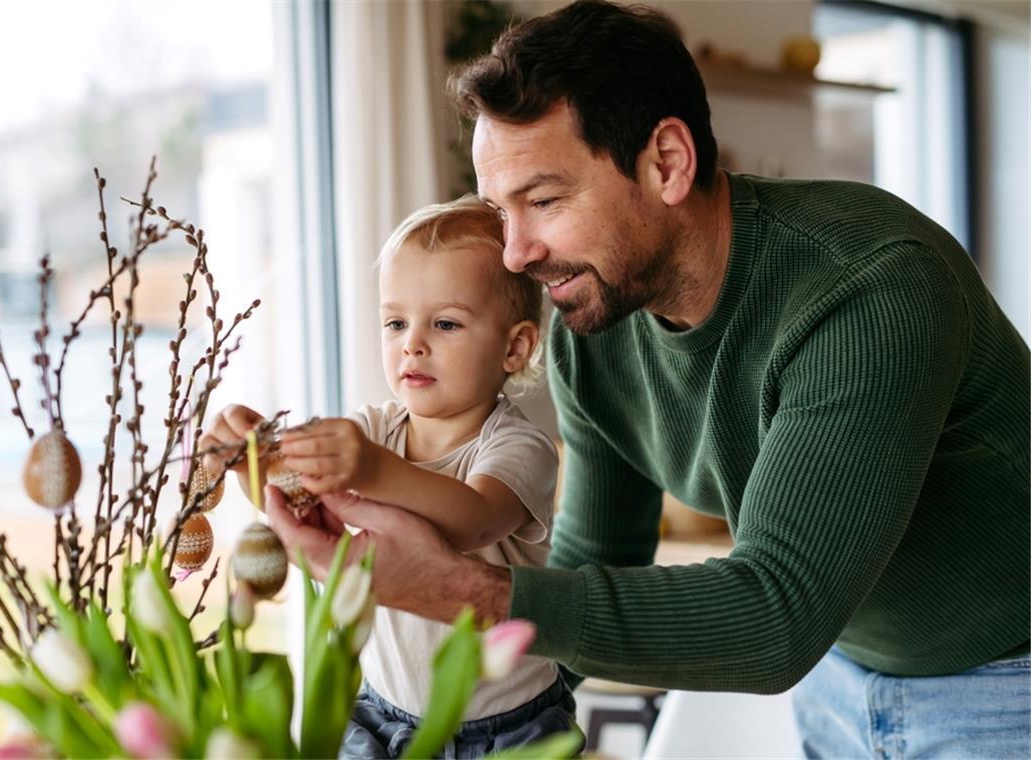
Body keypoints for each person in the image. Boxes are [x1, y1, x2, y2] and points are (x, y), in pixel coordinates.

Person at [262, 1, 1031, 757]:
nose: (516, 253)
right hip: (839, 671)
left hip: (1005, 683)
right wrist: (455, 721)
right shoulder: (596, 320)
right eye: (502, 212)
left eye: (544, 200)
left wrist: (463, 592)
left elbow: (776, 616)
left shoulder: (869, 288)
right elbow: (595, 559)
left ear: (667, 162)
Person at [201, 195, 580, 758]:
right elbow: (295, 500)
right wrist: (251, 458)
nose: (412, 343)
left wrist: (373, 469)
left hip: (507, 728)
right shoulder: (374, 430)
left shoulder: (519, 446)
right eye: (396, 322)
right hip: (382, 713)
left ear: (515, 346)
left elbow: (472, 521)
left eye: (445, 323)